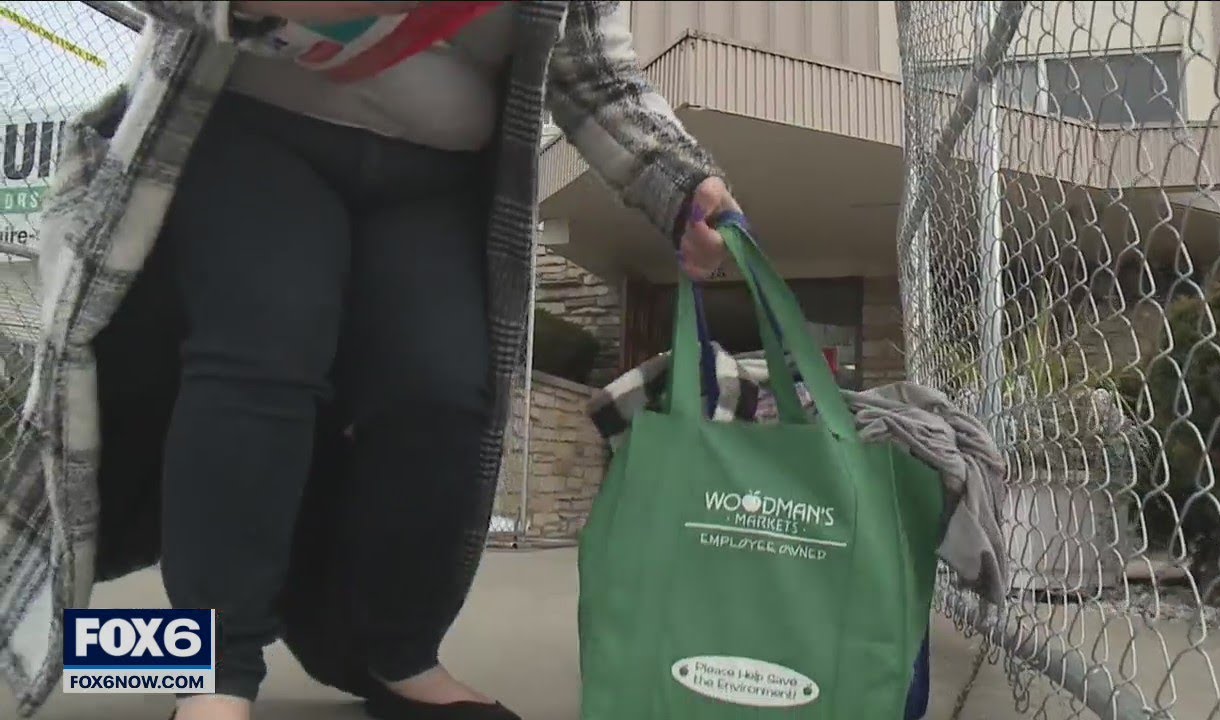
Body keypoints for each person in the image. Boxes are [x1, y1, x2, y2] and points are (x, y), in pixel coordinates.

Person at [0, 2, 739, 720]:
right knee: (261, 361)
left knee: (444, 391)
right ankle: (214, 674)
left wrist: (680, 185)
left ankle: (400, 653)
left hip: (437, 175)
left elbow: (597, 75)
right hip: (254, 128)